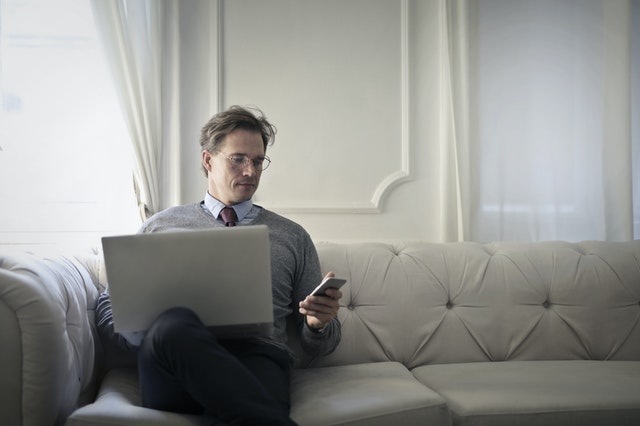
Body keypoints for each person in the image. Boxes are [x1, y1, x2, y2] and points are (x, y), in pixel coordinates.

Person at [96, 105, 342, 425]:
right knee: (174, 323)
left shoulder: (291, 236)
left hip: (256, 360)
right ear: (208, 160)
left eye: (257, 161)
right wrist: (152, 330)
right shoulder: (159, 227)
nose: (250, 171)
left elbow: (323, 343)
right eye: (238, 159)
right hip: (173, 362)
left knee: (244, 388)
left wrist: (317, 323)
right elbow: (107, 310)